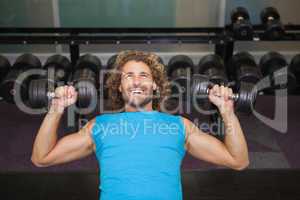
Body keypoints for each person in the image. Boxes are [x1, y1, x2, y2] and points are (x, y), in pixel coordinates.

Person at [31, 50, 249, 200]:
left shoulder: (179, 126)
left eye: (143, 75)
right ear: (119, 86)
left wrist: (227, 111)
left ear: (154, 85)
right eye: (128, 76)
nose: (136, 81)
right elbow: (41, 158)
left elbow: (238, 161)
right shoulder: (100, 126)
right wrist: (56, 108)